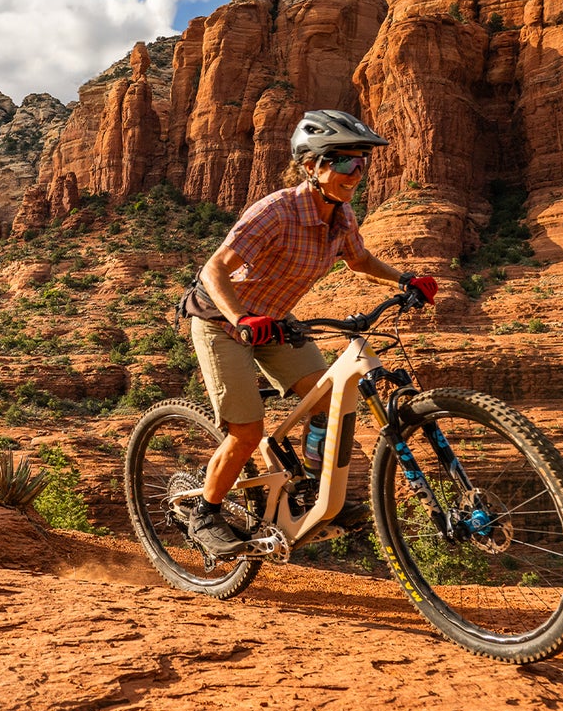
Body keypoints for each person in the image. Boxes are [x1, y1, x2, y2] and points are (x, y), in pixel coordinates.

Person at [174, 109, 439, 557]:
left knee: (327, 401)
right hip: (223, 323)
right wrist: (241, 319)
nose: (355, 172)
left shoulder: (343, 216)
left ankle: (314, 493)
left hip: (274, 323)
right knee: (247, 431)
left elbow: (359, 260)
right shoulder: (277, 211)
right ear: (312, 166)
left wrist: (403, 280)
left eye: (361, 163)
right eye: (343, 162)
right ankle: (204, 511)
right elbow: (214, 268)